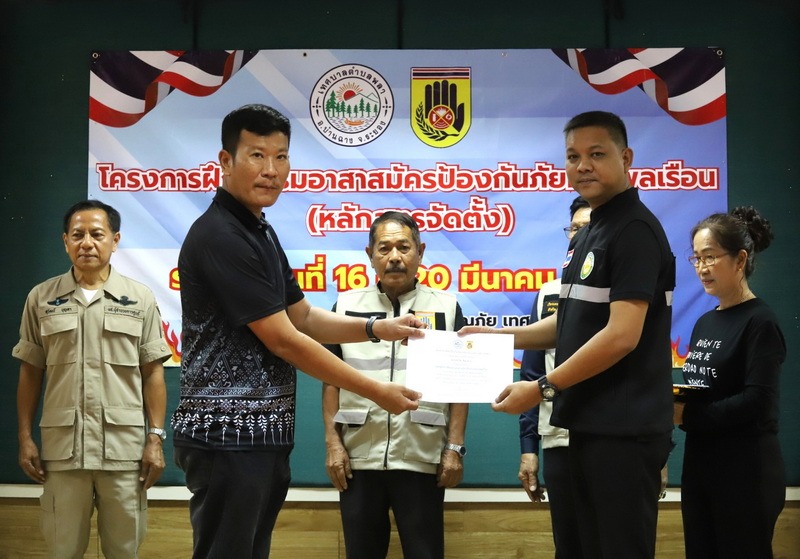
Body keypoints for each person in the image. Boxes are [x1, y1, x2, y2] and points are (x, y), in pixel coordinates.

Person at [171, 104, 425, 559]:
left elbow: (303, 317)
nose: (271, 170)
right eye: (256, 155)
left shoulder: (259, 231)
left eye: (281, 156)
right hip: (226, 436)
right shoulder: (221, 235)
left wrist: (377, 327)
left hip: (260, 435)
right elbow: (284, 339)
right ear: (226, 161)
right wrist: (375, 391)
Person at [463, 111, 675, 558]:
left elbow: (621, 335)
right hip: (588, 425)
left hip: (624, 431)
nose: (583, 166)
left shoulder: (634, 229)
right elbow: (571, 323)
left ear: (626, 157)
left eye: (597, 154)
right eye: (573, 156)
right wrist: (499, 338)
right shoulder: (588, 232)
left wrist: (542, 386)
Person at [13, 200, 171, 558]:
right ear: (65, 241)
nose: (87, 243)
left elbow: (153, 372)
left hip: (124, 454)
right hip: (63, 452)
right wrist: (24, 438)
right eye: (77, 235)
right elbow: (30, 371)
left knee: (124, 551)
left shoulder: (139, 299)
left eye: (97, 234)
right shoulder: (41, 298)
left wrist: (155, 439)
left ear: (115, 240)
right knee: (64, 551)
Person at [322, 211, 468, 559]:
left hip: (422, 456)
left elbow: (459, 384)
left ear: (420, 251)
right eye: (384, 248)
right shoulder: (345, 306)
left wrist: (454, 448)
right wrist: (333, 444)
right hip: (358, 458)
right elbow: (330, 380)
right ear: (369, 254)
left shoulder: (446, 306)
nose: (394, 257)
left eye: (404, 247)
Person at [674, 207, 786, 558]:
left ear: (740, 260)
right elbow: (705, 389)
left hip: (746, 471)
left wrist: (687, 416)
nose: (702, 268)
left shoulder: (760, 321)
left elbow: (758, 400)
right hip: (700, 465)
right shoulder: (705, 322)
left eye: (710, 257)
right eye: (697, 258)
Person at [518, 195, 590, 559]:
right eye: (574, 229)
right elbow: (532, 374)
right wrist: (528, 450)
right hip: (559, 440)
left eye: (588, 228)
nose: (578, 236)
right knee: (569, 545)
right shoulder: (548, 293)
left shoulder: (628, 290)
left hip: (612, 441)